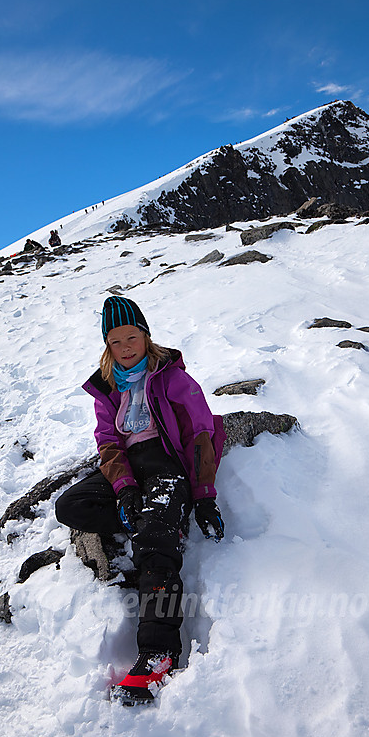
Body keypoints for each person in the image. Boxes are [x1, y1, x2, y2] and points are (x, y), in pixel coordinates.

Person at [55, 296, 226, 704]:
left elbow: (199, 435)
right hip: (131, 470)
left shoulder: (171, 378)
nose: (126, 346)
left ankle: (159, 652)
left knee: (154, 542)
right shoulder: (107, 386)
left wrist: (202, 495)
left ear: (146, 337)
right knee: (70, 506)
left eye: (132, 336)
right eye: (116, 340)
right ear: (107, 346)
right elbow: (109, 443)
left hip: (167, 466)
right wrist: (126, 489)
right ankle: (152, 518)